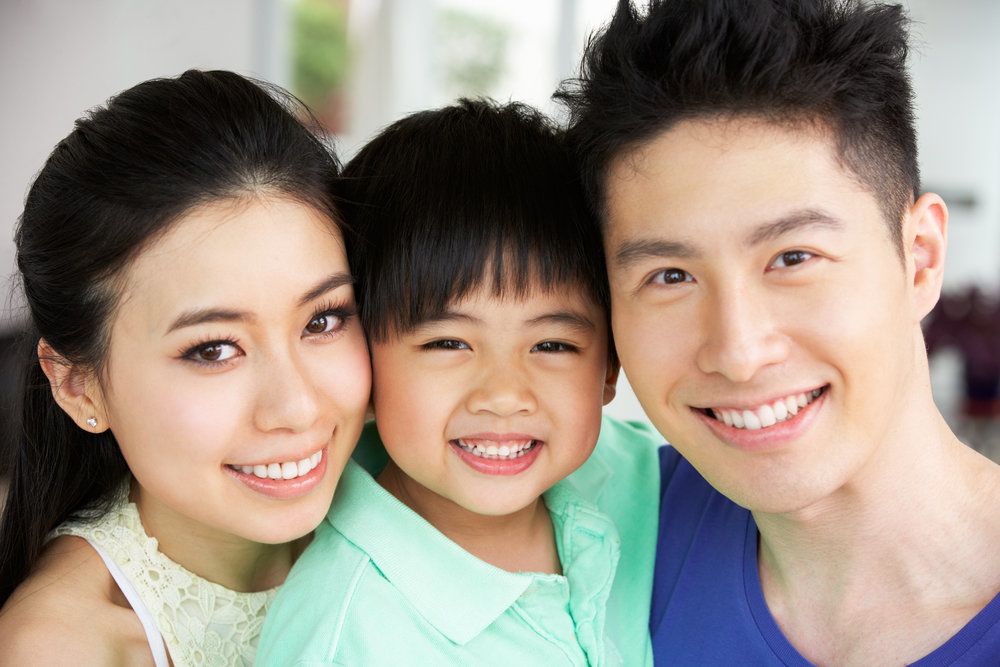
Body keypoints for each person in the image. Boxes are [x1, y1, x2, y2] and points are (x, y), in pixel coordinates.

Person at [557, 0, 1000, 664]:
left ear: (920, 258)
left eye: (793, 258)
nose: (738, 353)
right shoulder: (596, 541)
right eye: (670, 276)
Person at [257, 99, 662, 665]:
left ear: (610, 368)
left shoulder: (649, 483)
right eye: (447, 344)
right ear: (363, 362)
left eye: (552, 345)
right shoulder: (343, 635)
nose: (504, 396)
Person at [0, 70, 372, 664]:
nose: (297, 407)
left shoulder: (418, 496)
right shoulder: (64, 649)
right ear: (77, 385)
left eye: (322, 320)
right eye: (213, 349)